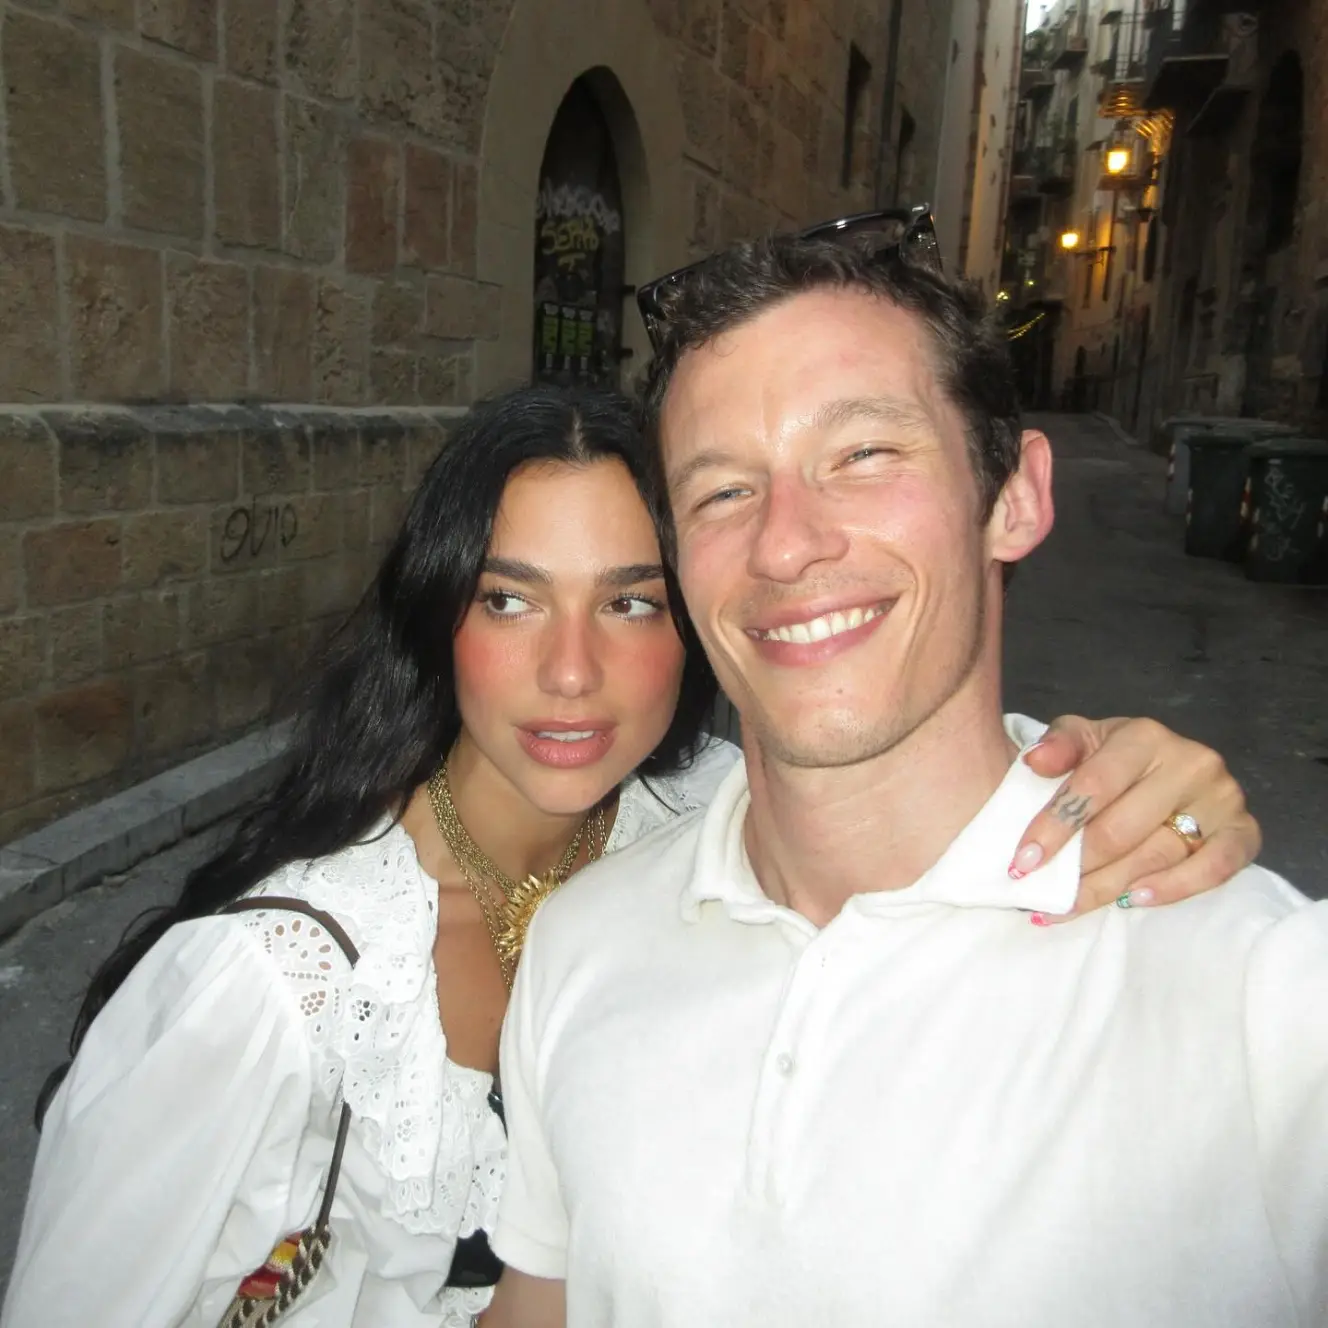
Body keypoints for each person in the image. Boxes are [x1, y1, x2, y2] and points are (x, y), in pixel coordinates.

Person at [0, 382, 1260, 1328]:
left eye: (629, 599)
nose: (568, 668)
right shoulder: (264, 990)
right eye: (508, 598)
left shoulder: (704, 830)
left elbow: (910, 771)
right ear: (438, 618)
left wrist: (1118, 772)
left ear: (703, 623)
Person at [484, 235, 1328, 1327]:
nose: (783, 544)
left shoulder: (1264, 990)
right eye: (723, 489)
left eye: (863, 454)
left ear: (1013, 497)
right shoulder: (582, 941)